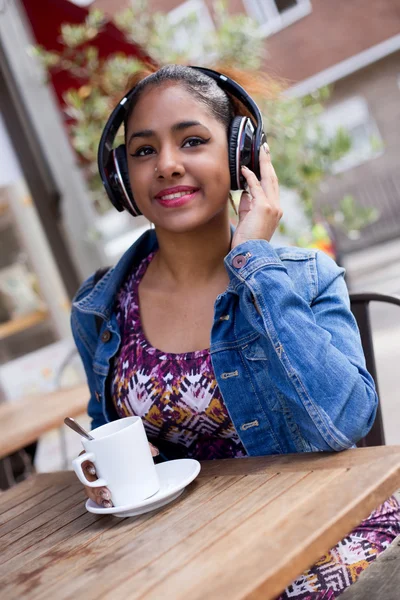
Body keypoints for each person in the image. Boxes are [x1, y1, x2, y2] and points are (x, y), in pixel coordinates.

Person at [71, 64, 399, 599]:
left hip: (330, 547)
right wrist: (107, 474)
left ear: (240, 155)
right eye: (145, 150)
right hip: (194, 561)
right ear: (121, 177)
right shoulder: (99, 309)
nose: (168, 165)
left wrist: (253, 262)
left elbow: (343, 424)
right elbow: (102, 431)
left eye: (193, 141)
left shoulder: (303, 277)